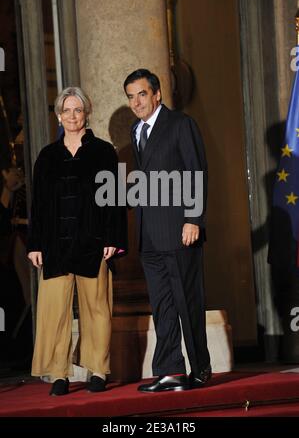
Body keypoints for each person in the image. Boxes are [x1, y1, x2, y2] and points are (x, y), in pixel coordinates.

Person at [27, 86, 127, 396]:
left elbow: (116, 198)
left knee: (97, 307)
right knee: (54, 310)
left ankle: (98, 370)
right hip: (55, 245)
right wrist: (35, 244)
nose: (72, 116)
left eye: (78, 110)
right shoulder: (47, 156)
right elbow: (39, 204)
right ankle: (59, 373)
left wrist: (114, 238)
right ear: (58, 116)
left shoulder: (103, 152)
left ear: (86, 113)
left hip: (92, 242)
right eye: (66, 110)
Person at [124, 69, 211, 392]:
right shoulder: (136, 131)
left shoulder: (180, 124)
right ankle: (170, 371)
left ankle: (200, 368)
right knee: (162, 306)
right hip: (149, 236)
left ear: (157, 94)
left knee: (187, 302)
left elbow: (196, 172)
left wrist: (194, 219)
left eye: (142, 94)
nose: (136, 101)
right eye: (131, 96)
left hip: (179, 229)